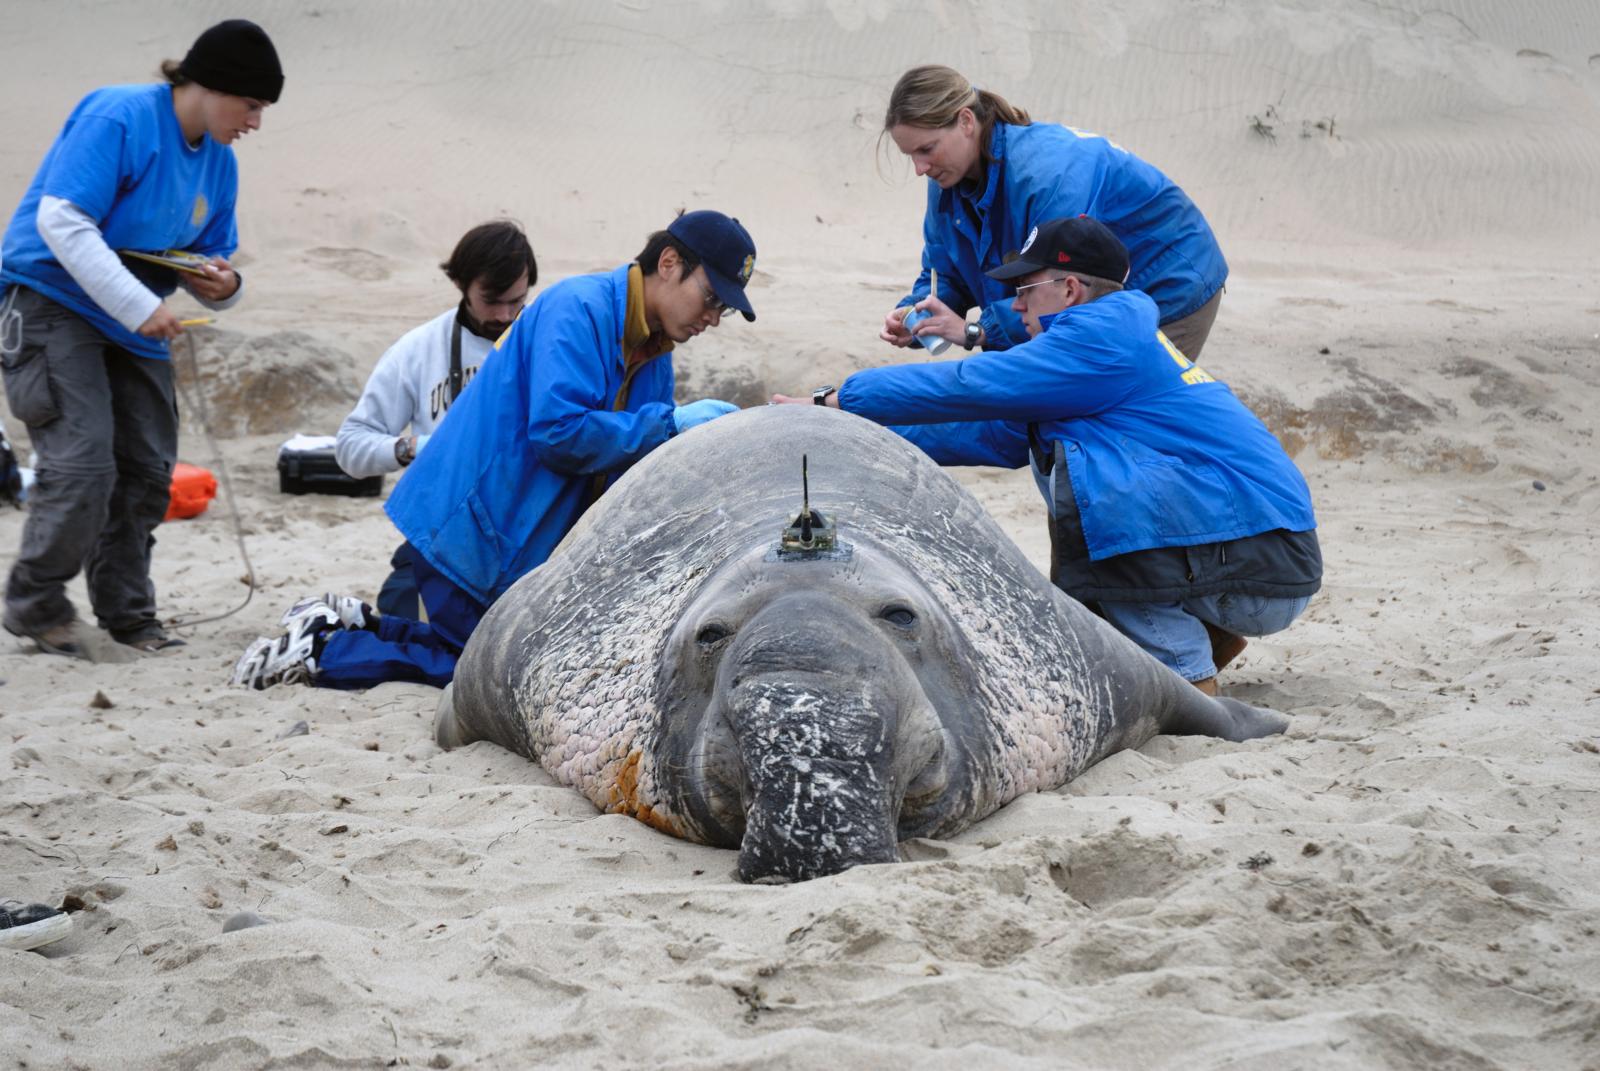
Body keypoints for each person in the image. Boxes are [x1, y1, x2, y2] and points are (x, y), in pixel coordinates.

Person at [779, 217, 1320, 694]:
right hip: (1263, 553)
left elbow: (970, 383)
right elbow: (988, 433)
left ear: (1068, 288)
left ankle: (1189, 681)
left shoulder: (1103, 336)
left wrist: (840, 397)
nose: (1014, 306)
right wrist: (845, 429)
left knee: (1105, 528)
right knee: (1095, 518)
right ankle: (1203, 640)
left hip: (1267, 560)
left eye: (1024, 288)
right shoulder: (1096, 352)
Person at [232, 209, 758, 690]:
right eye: (712, 297)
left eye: (725, 310)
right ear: (669, 263)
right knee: (477, 672)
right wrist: (668, 424)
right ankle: (317, 652)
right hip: (472, 527)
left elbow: (628, 468)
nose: (713, 317)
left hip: (518, 541)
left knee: (470, 651)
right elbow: (558, 433)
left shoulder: (656, 350)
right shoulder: (579, 307)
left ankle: (347, 622)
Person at [0, 19, 283, 656]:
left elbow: (210, 257)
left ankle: (127, 614)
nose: (255, 123)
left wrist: (223, 284)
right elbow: (62, 219)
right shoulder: (120, 116)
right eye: (253, 105)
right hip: (51, 302)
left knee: (148, 472)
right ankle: (35, 603)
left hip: (134, 318)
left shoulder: (220, 164)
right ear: (212, 86)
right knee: (83, 464)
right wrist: (134, 303)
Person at [878, 64, 1227, 364]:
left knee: (1114, 414)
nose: (919, 169)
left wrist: (976, 330)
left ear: (966, 121)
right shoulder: (946, 177)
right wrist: (917, 314)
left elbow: (1062, 294)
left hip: (1166, 277)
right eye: (910, 155)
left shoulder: (1047, 177)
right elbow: (945, 272)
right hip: (1073, 289)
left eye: (926, 149)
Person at [335, 220, 537, 619]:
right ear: (462, 284)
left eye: (516, 300)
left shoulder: (546, 342)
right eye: (491, 300)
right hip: (444, 537)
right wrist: (417, 449)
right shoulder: (417, 350)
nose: (505, 314)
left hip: (528, 533)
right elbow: (350, 447)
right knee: (402, 616)